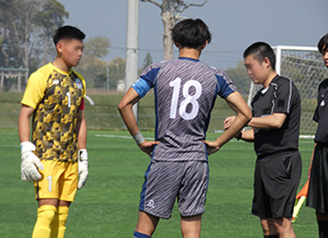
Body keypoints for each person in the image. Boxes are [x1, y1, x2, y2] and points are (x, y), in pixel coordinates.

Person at [119, 18, 252, 238]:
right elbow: (245, 113)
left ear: (176, 42)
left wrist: (140, 140)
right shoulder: (216, 76)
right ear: (205, 43)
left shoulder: (157, 70)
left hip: (165, 158)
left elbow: (124, 104)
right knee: (191, 229)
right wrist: (219, 142)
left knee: (145, 228)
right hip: (196, 160)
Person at [224, 42, 302, 238]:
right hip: (263, 162)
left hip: (282, 161)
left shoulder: (284, 86)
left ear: (266, 61)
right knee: (267, 225)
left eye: (250, 66)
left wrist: (243, 119)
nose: (249, 72)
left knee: (281, 222)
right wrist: (239, 133)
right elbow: (257, 133)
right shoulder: (258, 97)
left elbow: (277, 121)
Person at [18, 25, 88, 238]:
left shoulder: (79, 81)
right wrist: (26, 151)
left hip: (69, 159)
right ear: (60, 47)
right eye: (76, 48)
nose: (80, 54)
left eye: (82, 49)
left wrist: (82, 156)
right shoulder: (41, 76)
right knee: (47, 213)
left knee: (62, 217)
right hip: (46, 156)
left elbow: (81, 120)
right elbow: (24, 114)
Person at [306, 33, 328, 238]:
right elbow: (320, 126)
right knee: (321, 209)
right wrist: (313, 163)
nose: (326, 56)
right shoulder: (323, 87)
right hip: (322, 153)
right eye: (323, 52)